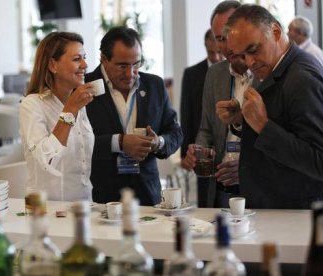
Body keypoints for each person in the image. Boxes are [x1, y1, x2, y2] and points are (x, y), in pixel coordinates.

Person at [217, 4, 323, 209]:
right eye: (242, 55)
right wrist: (242, 118)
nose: (250, 62)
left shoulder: (302, 78)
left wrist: (263, 125)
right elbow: (285, 124)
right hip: (270, 208)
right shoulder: (271, 67)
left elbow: (322, 162)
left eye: (253, 49)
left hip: (295, 217)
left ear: (276, 32)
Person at [85, 26, 183, 206]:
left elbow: (175, 133)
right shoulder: (85, 87)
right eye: (122, 66)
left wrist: (158, 142)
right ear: (103, 59)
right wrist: (119, 142)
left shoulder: (154, 85)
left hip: (147, 194)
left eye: (136, 64)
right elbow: (77, 144)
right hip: (100, 196)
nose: (130, 73)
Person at [182, 0, 256, 208]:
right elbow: (206, 128)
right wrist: (199, 150)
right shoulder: (215, 74)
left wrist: (245, 168)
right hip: (221, 186)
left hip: (259, 188)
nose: (224, 46)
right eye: (219, 39)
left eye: (228, 36)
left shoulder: (264, 73)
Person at [19, 32, 96, 201]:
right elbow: (46, 160)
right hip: (47, 210)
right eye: (77, 59)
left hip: (84, 206)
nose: (85, 64)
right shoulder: (31, 105)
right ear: (53, 65)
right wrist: (70, 110)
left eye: (84, 57)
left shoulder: (77, 102)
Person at [180, 28, 222, 163]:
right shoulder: (191, 74)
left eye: (219, 53)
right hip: (201, 144)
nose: (216, 57)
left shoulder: (232, 71)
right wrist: (184, 152)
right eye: (211, 52)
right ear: (205, 45)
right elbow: (186, 113)